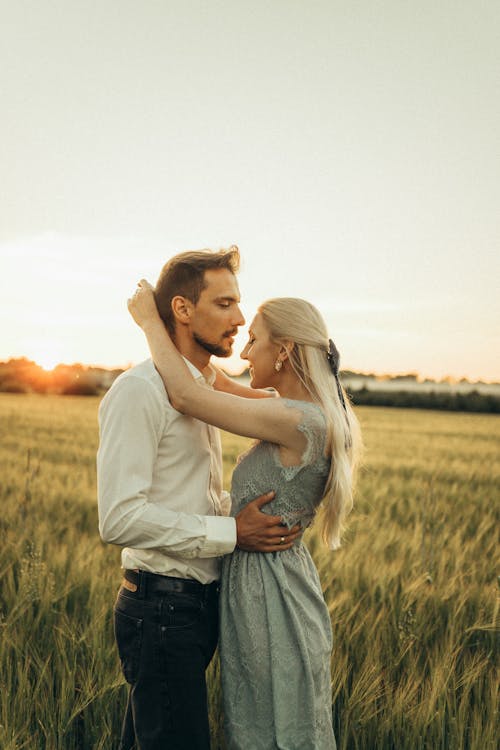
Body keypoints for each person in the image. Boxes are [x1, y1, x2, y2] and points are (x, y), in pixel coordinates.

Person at [128, 279, 362, 750]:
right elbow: (211, 382)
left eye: (254, 339)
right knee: (258, 725)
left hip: (274, 597)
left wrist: (151, 323)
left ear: (285, 349)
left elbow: (189, 397)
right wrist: (187, 331)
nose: (245, 351)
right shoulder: (293, 410)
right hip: (260, 586)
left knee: (272, 731)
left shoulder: (300, 420)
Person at [97, 247, 301, 750]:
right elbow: (119, 519)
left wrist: (243, 512)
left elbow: (190, 491)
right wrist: (233, 532)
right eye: (225, 303)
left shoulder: (202, 387)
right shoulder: (140, 391)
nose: (239, 320)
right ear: (183, 310)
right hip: (161, 608)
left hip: (193, 608)